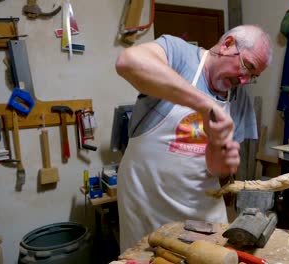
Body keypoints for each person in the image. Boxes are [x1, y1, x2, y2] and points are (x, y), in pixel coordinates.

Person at [115, 24, 272, 251]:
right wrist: (205, 104)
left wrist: (218, 153)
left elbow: (219, 172)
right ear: (227, 44)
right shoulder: (179, 54)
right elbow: (127, 62)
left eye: (253, 76)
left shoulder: (240, 100)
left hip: (202, 207)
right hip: (146, 202)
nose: (245, 80)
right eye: (247, 66)